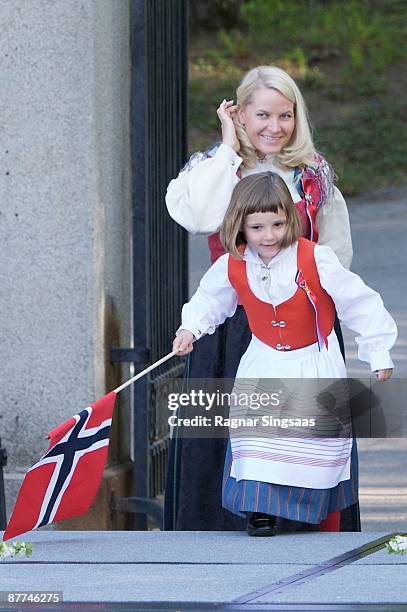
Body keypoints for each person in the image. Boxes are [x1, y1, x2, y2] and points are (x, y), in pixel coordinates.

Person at [165, 65, 356, 532]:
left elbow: (336, 248)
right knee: (236, 436)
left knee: (308, 437)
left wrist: (313, 303)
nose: (275, 126)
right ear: (240, 114)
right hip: (234, 327)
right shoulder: (214, 168)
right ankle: (225, 530)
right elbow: (197, 217)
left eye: (285, 115)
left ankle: (309, 528)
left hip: (306, 324)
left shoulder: (313, 174)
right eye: (262, 115)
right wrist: (228, 147)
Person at [172, 172, 396, 536]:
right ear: (240, 227)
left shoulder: (314, 258)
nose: (270, 235)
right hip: (264, 359)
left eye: (277, 223)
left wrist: (378, 350)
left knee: (313, 442)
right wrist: (189, 329)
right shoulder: (233, 264)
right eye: (257, 226)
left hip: (312, 359)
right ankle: (261, 512)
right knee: (256, 437)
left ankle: (313, 512)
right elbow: (208, 300)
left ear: (289, 220)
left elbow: (359, 301)